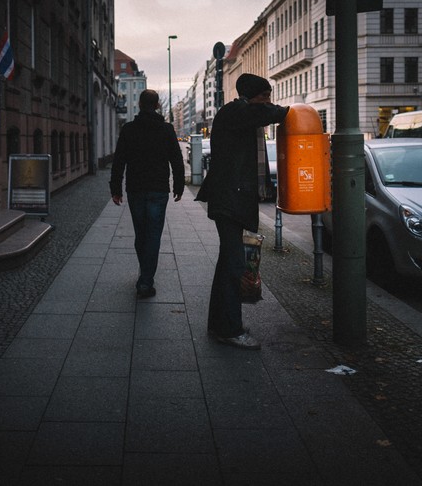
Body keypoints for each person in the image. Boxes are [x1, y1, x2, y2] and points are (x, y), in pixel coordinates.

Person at [195, 74, 289, 350]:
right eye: (264, 96)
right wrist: (289, 112)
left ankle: (219, 324)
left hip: (229, 198)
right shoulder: (236, 111)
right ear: (250, 97)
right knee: (234, 265)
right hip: (229, 199)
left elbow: (262, 112)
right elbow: (270, 113)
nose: (267, 102)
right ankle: (230, 330)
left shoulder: (240, 114)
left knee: (227, 263)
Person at [109, 89, 185, 299]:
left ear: (140, 105)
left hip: (135, 189)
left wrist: (115, 189)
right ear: (158, 105)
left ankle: (145, 277)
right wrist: (178, 186)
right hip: (159, 190)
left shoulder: (129, 130)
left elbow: (119, 161)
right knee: (153, 236)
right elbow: (176, 160)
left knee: (141, 235)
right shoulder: (166, 129)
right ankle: (145, 281)